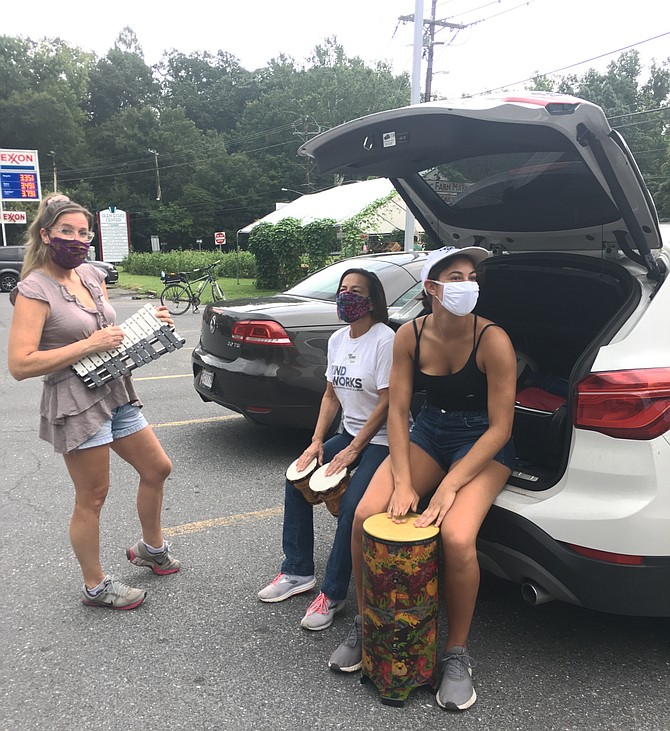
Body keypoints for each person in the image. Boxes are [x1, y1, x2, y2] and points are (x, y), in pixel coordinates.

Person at [328, 246, 516, 712]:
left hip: (483, 441)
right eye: (455, 276)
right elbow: (397, 409)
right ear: (431, 288)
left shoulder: (493, 339)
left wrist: (450, 484)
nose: (467, 284)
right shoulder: (408, 334)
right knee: (364, 515)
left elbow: (501, 428)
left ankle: (456, 653)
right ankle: (368, 625)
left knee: (454, 536)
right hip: (431, 429)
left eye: (472, 276)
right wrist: (406, 479)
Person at [7, 198, 180, 610]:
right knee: (93, 496)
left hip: (114, 387)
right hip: (75, 401)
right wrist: (90, 344)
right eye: (67, 231)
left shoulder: (89, 274)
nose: (77, 239)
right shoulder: (33, 289)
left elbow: (106, 331)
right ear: (46, 235)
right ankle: (95, 585)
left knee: (157, 468)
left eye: (84, 232)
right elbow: (20, 364)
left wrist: (148, 323)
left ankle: (150, 548)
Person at [258, 268, 395, 631]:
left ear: (372, 300)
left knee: (351, 507)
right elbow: (331, 394)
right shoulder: (337, 339)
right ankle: (297, 571)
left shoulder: (385, 340)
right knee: (296, 481)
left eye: (356, 291)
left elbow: (386, 404)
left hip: (384, 442)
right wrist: (317, 441)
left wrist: (352, 452)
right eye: (343, 289)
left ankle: (333, 593)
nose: (346, 296)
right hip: (348, 433)